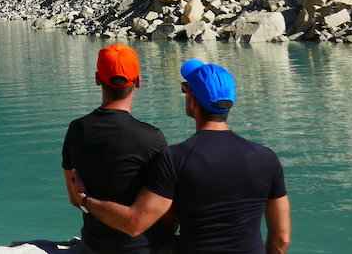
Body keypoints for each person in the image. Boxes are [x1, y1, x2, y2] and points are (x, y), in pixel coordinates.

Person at [81, 59, 290, 254]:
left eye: (185, 89)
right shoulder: (267, 158)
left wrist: (86, 200)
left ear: (193, 100)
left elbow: (135, 223)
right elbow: (281, 238)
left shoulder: (174, 158)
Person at [61, 44, 171, 253]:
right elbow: (164, 210)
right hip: (142, 247)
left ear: (96, 78)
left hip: (94, 245)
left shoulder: (77, 129)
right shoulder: (152, 138)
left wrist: (87, 201)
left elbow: (75, 198)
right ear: (138, 81)